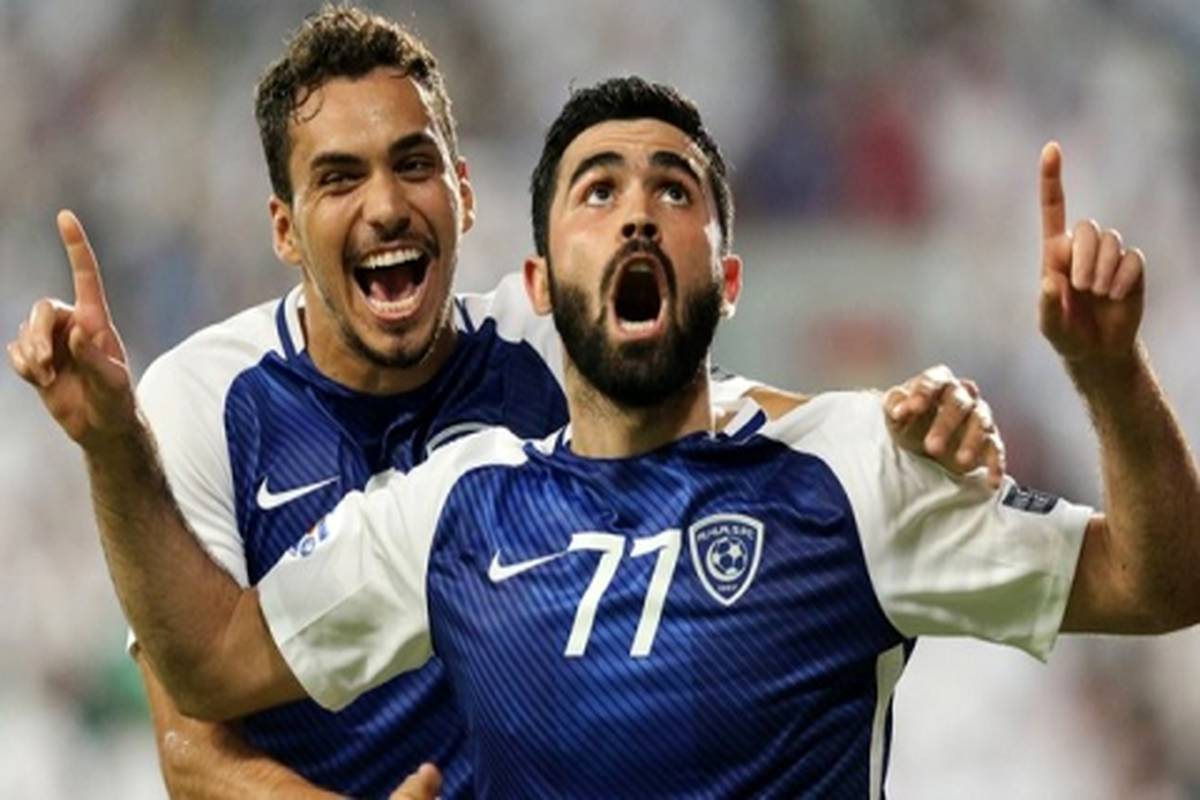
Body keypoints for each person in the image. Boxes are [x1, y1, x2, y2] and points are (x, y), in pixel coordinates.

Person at [18, 74, 1198, 796]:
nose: (637, 210)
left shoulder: (857, 471)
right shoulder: (456, 503)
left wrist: (1108, 373)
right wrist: (113, 445)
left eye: (674, 189)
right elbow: (211, 661)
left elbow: (1164, 581)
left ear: (727, 279)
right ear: (538, 282)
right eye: (598, 189)